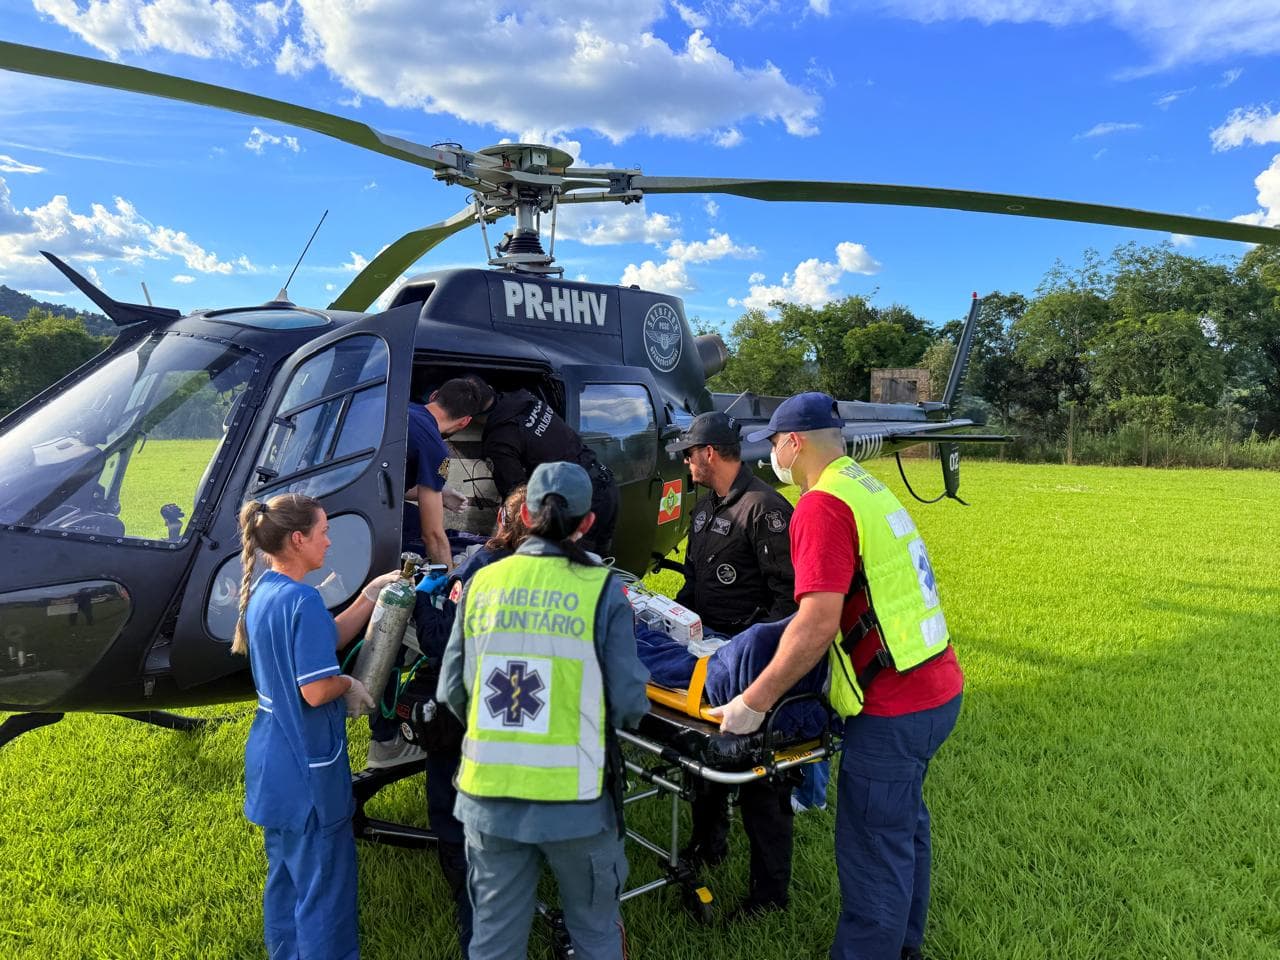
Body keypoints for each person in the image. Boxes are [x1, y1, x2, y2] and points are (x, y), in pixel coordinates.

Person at [714, 393, 964, 960]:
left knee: (872, 850)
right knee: (902, 831)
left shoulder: (823, 504)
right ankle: (905, 947)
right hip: (936, 685)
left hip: (896, 706)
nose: (772, 456)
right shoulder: (867, 487)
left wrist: (752, 703)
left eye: (774, 445)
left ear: (794, 443)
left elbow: (817, 622)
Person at [439, 462, 649, 960]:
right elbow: (627, 703)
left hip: (489, 798)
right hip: (577, 804)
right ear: (588, 523)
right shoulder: (604, 590)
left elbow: (451, 691)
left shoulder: (482, 583)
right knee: (595, 934)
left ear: (525, 514)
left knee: (493, 939)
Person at [233, 492, 399, 960]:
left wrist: (372, 595)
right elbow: (315, 689)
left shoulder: (269, 589)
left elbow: (328, 635)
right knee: (325, 888)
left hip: (272, 767)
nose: (329, 541)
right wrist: (347, 681)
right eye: (324, 532)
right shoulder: (303, 601)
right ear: (299, 538)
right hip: (308, 770)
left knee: (286, 879)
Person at [663, 410, 800, 915]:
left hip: (749, 663)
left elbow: (789, 601)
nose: (685, 460)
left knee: (761, 776)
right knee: (703, 753)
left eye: (689, 452)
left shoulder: (765, 508)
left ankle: (769, 894)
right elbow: (696, 583)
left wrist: (750, 657)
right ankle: (709, 839)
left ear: (711, 454)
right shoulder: (704, 509)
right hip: (706, 656)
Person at [409, 484, 530, 959]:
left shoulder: (485, 568)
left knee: (459, 821)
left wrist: (424, 599)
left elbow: (443, 642)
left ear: (504, 520)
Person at [374, 377, 490, 770]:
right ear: (464, 422)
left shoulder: (401, 412)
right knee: (392, 634)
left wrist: (441, 495)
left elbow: (388, 480)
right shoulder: (435, 446)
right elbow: (433, 534)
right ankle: (386, 737)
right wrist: (455, 579)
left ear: (434, 395)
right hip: (381, 544)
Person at [470, 379, 619, 555]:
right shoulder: (524, 398)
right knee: (595, 566)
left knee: (567, 571)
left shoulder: (499, 441)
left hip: (573, 504)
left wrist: (499, 546)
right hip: (604, 485)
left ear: (467, 419)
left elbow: (516, 497)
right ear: (490, 388)